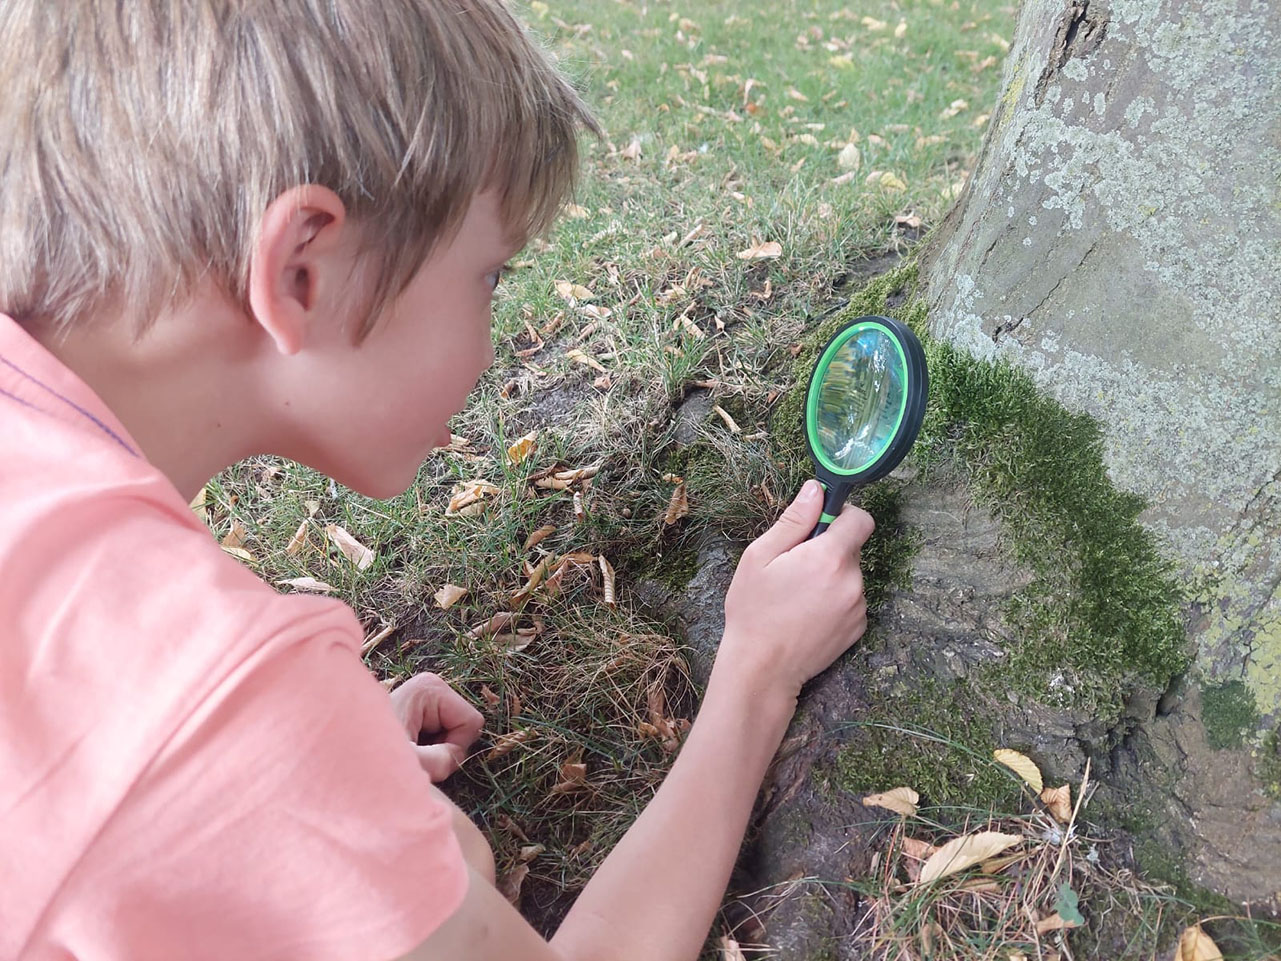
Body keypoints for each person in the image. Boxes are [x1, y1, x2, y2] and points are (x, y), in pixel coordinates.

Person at [0, 2, 874, 959]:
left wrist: (315, 787)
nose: (489, 347)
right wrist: (754, 674)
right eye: (488, 277)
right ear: (303, 269)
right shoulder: (203, 695)